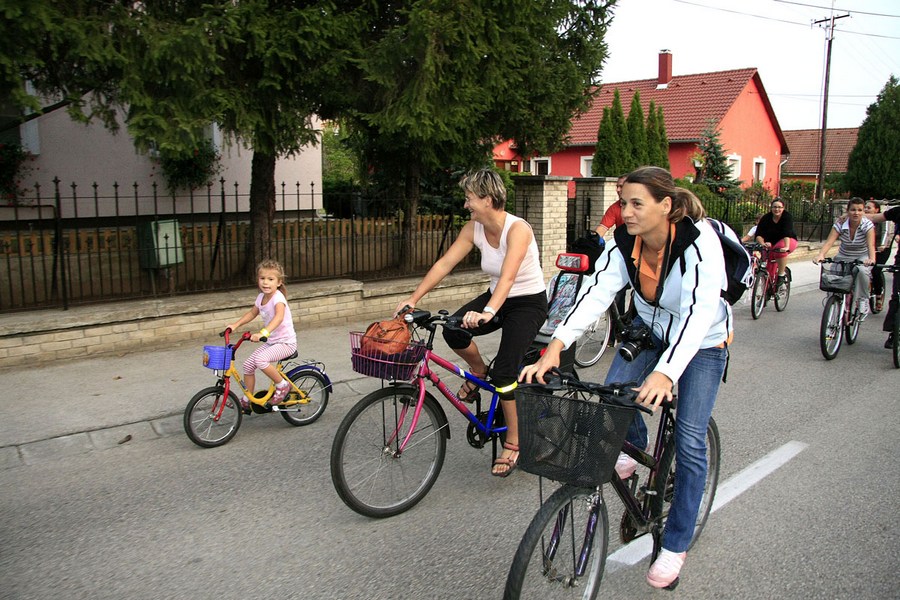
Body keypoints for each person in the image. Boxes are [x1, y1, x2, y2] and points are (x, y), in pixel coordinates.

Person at [520, 166, 732, 589]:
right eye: (623, 202)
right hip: (653, 329)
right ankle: (632, 453)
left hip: (703, 341)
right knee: (614, 397)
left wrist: (666, 373)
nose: (626, 212)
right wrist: (556, 346)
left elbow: (698, 314)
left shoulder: (698, 242)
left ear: (665, 206)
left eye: (636, 203)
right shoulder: (624, 242)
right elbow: (597, 293)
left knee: (689, 439)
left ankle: (674, 544)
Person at [396, 169, 547, 477]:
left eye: (469, 198)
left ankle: (514, 443)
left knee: (505, 374)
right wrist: (414, 297)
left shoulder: (518, 230)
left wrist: (489, 312)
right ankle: (479, 371)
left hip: (527, 302)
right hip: (495, 297)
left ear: (488, 200)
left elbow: (508, 276)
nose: (466, 205)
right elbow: (445, 263)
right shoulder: (474, 228)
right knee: (452, 329)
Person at [226, 259, 298, 410]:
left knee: (260, 359)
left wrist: (263, 333)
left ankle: (282, 385)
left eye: (270, 279)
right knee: (248, 365)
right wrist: (235, 325)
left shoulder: (278, 298)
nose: (266, 282)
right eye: (262, 278)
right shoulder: (260, 298)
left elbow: (278, 317)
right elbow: (252, 313)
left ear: (279, 282)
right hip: (272, 342)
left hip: (286, 343)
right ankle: (247, 399)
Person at [813, 197, 876, 318]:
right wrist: (821, 255)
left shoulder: (867, 225)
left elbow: (871, 245)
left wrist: (871, 259)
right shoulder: (841, 224)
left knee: (863, 272)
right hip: (843, 255)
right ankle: (833, 303)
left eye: (859, 210)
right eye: (853, 210)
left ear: (863, 212)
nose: (856, 213)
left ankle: (862, 300)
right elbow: (829, 242)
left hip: (861, 256)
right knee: (832, 276)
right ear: (847, 211)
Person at [864, 204, 900, 347]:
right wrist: (849, 215)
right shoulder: (898, 211)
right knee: (897, 296)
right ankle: (894, 333)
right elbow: (874, 217)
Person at [754, 197, 798, 289]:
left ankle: (781, 275)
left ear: (783, 208)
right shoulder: (766, 218)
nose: (777, 209)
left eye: (779, 207)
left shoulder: (787, 217)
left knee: (779, 250)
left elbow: (787, 232)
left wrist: (786, 247)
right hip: (771, 243)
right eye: (774, 207)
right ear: (771, 208)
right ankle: (767, 290)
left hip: (788, 241)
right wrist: (763, 244)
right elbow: (758, 234)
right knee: (767, 262)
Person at [866, 200, 895, 312]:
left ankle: (878, 294)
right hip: (870, 247)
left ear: (876, 210)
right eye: (866, 207)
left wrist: (882, 245)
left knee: (876, 270)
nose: (866, 210)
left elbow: (885, 232)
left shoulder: (883, 219)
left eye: (869, 208)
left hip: (882, 247)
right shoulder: (864, 219)